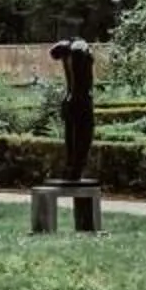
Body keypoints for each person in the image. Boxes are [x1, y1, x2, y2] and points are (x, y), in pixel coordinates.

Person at [48, 37, 95, 184]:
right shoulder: (74, 51)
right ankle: (73, 169)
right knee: (79, 137)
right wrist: (69, 97)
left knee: (77, 137)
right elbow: (73, 82)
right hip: (79, 100)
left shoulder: (76, 50)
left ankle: (73, 169)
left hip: (77, 101)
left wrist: (70, 97)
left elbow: (75, 81)